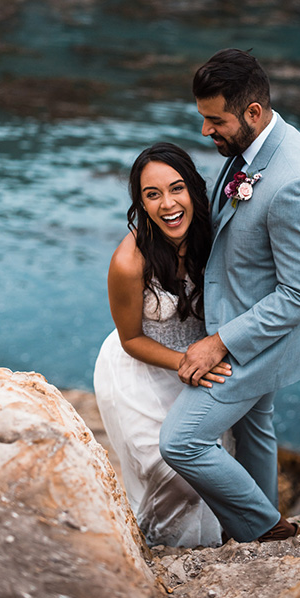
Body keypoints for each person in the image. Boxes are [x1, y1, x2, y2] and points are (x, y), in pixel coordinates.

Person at [160, 48, 300, 543]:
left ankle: (262, 528)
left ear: (252, 113)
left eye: (214, 120)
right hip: (239, 312)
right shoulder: (254, 146)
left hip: (256, 337)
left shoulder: (296, 181)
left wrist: (220, 342)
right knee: (254, 425)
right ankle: (264, 535)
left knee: (181, 441)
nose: (204, 132)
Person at [94, 142, 232, 548]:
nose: (167, 204)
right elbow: (131, 338)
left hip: (200, 364)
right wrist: (189, 361)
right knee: (168, 471)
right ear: (140, 202)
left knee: (209, 467)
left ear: (193, 189)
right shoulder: (128, 262)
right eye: (152, 195)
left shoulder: (215, 238)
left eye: (176, 189)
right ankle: (159, 549)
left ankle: (209, 549)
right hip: (141, 368)